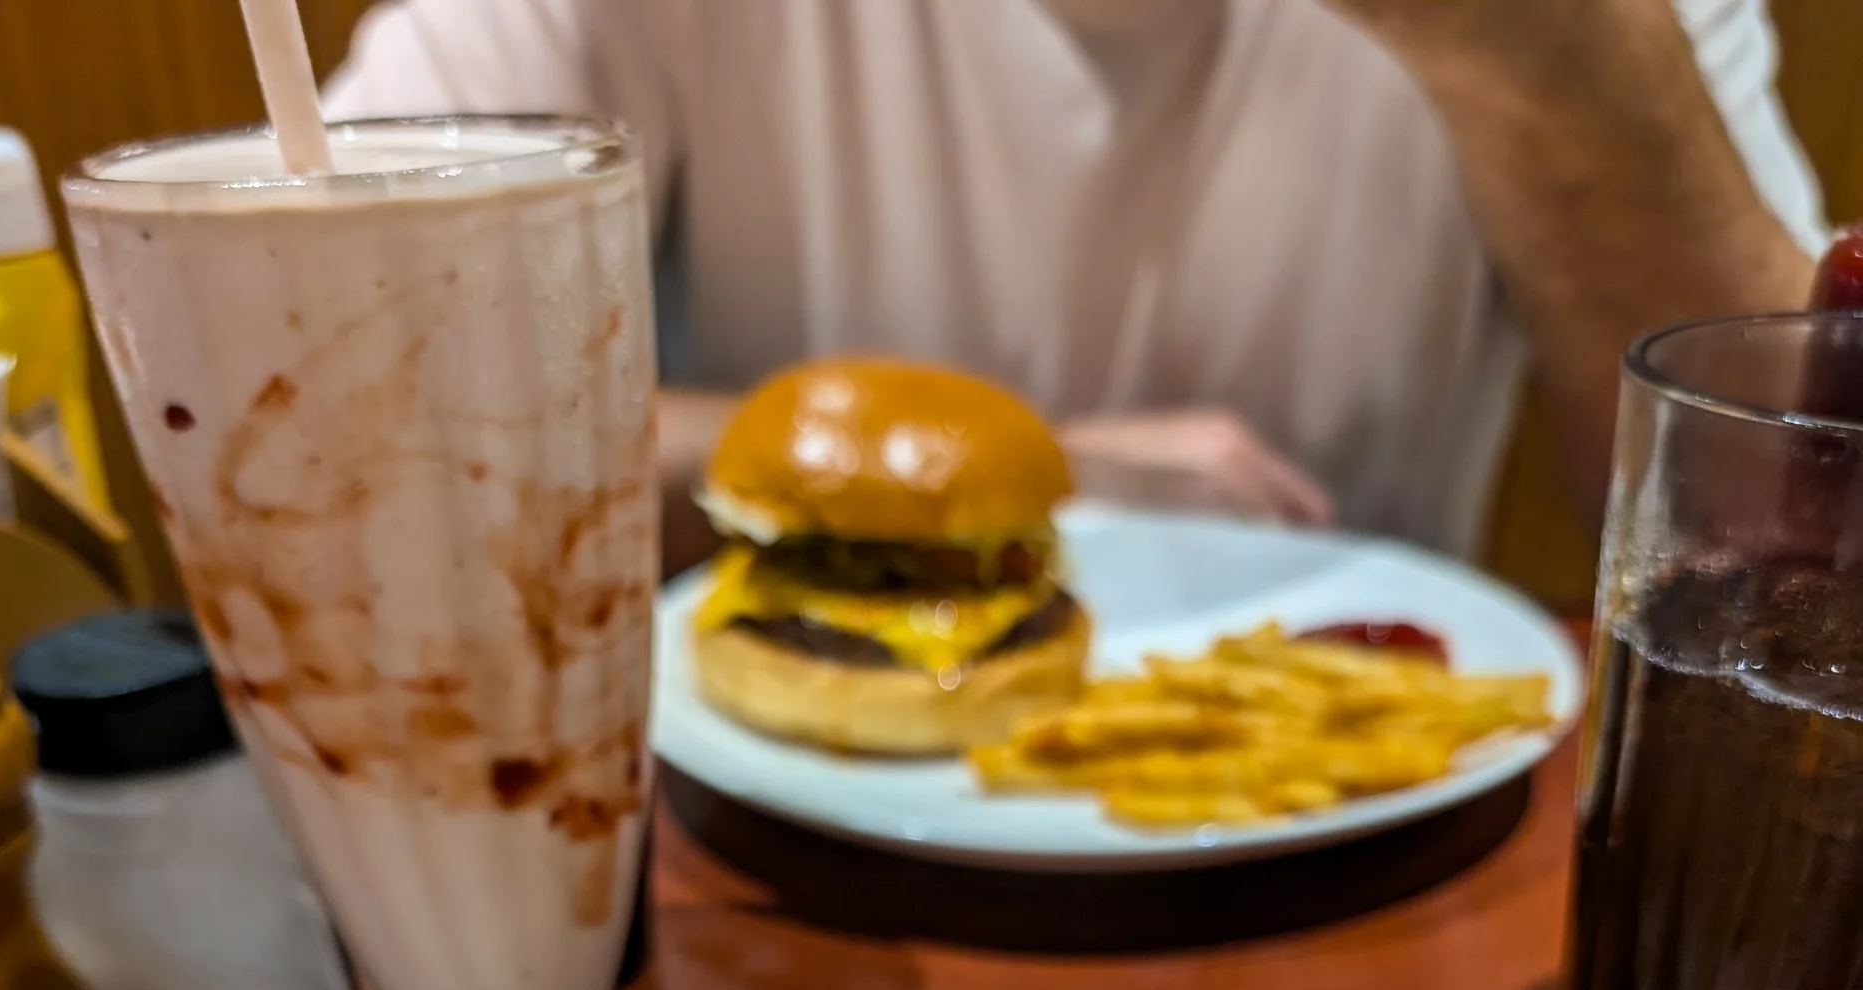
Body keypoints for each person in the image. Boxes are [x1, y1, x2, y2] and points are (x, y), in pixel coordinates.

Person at [325, 0, 1823, 569]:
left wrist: (1556, 52)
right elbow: (345, 413)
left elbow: (1792, 536)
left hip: (1378, 841)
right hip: (759, 859)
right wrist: (1005, 476)